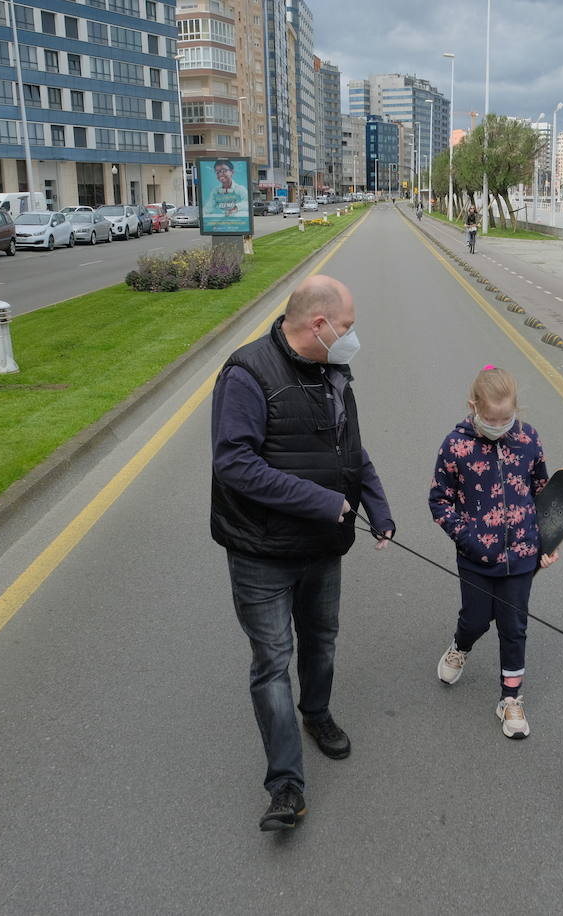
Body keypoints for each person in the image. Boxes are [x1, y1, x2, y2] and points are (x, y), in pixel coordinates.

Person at [210, 274, 395, 831]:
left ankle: (316, 713)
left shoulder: (335, 373)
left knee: (322, 640)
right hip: (261, 552)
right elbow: (235, 465)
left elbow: (353, 453)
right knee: (272, 664)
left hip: (321, 548)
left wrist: (378, 508)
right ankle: (285, 785)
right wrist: (322, 501)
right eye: (349, 327)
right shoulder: (246, 375)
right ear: (320, 324)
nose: (353, 337)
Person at [429, 365, 557, 739]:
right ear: (474, 406)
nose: (499, 425)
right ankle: (460, 646)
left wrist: (546, 545)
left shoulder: (528, 439)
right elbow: (440, 501)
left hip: (521, 557)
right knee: (476, 619)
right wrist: (468, 538)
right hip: (475, 558)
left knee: (513, 627)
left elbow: (544, 495)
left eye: (506, 418)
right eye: (491, 418)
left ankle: (510, 698)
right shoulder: (456, 445)